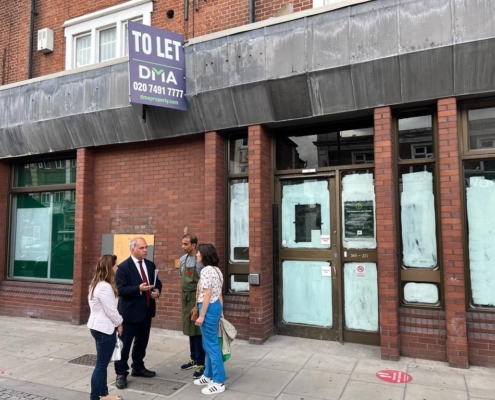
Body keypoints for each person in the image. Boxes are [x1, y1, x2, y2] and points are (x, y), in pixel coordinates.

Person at [114, 237, 162, 390]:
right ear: (132, 249)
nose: (145, 250)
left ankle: (138, 367)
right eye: (141, 248)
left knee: (142, 343)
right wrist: (138, 289)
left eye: (146, 247)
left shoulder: (150, 265)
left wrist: (157, 291)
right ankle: (121, 373)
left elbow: (157, 282)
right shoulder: (123, 268)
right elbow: (120, 289)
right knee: (125, 345)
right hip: (129, 314)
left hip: (146, 312)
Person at [87, 254, 123, 400]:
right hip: (104, 329)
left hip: (98, 327)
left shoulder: (97, 284)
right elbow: (111, 310)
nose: (117, 267)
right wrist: (120, 323)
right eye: (115, 264)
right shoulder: (104, 287)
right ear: (110, 267)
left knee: (103, 363)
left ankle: (104, 394)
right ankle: (95, 397)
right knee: (101, 366)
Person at [193, 243, 226, 395]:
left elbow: (207, 294)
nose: (197, 255)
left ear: (204, 255)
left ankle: (219, 381)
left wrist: (201, 315)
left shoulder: (206, 270)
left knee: (211, 345)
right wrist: (221, 311)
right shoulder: (217, 270)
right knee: (209, 343)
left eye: (198, 253)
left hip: (207, 307)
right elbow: (219, 293)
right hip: (215, 307)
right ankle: (208, 374)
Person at [179, 234, 206, 378]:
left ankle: (201, 362)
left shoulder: (200, 262)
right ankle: (193, 358)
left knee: (198, 332)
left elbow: (204, 283)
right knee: (190, 330)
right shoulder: (182, 260)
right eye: (182, 244)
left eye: (186, 244)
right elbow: (181, 278)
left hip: (196, 298)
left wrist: (198, 302)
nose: (183, 247)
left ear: (194, 245)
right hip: (185, 298)